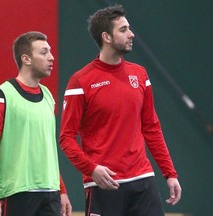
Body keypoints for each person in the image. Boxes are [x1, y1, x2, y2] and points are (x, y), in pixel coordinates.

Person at [59, 5, 181, 216]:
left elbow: (151, 128)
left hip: (143, 181)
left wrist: (170, 173)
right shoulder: (80, 81)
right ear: (106, 36)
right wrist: (92, 169)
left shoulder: (140, 74)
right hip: (104, 185)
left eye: (129, 28)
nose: (131, 34)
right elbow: (66, 138)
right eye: (123, 30)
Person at [0, 31, 72, 216]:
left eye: (51, 52)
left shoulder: (48, 96)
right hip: (16, 194)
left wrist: (61, 190)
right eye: (44, 52)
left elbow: (48, 149)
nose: (52, 57)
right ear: (26, 59)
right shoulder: (2, 95)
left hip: (50, 194)